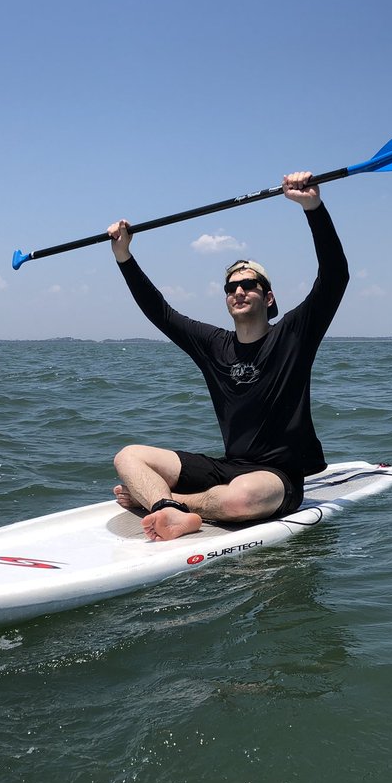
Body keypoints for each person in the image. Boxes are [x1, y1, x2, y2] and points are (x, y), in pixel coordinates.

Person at [107, 170, 348, 541]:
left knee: (242, 499)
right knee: (128, 457)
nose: (239, 290)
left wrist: (312, 207)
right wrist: (124, 256)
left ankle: (166, 504)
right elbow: (161, 313)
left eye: (249, 284)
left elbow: (334, 277)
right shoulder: (213, 344)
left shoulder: (293, 335)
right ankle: (166, 509)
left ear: (268, 298)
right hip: (227, 467)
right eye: (231, 286)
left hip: (276, 476)